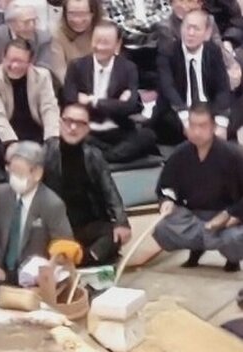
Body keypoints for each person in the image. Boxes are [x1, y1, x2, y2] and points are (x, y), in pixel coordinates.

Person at [0, 141, 73, 300]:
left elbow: (64, 245)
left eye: (20, 174)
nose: (14, 178)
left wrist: (46, 273)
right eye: (12, 172)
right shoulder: (2, 194)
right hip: (3, 269)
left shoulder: (52, 204)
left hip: (34, 277)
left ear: (37, 173)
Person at [154, 102, 243, 272]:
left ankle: (232, 258)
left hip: (227, 220)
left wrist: (230, 214)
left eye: (202, 126)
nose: (196, 131)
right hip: (192, 217)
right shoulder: (180, 154)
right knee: (163, 228)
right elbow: (166, 186)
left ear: (213, 127)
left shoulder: (233, 154)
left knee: (236, 237)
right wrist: (167, 200)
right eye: (192, 125)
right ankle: (196, 247)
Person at [42, 103, 131, 266]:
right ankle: (82, 258)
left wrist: (121, 222)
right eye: (68, 121)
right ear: (60, 123)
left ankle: (80, 259)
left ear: (87, 128)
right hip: (55, 228)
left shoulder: (94, 155)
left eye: (80, 123)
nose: (73, 127)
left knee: (113, 234)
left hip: (86, 226)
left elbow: (109, 190)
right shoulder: (45, 153)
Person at [62, 21, 157, 164]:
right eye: (97, 41)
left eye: (105, 43)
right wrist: (116, 103)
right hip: (87, 130)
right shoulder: (77, 66)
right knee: (74, 139)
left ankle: (104, 156)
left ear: (117, 44)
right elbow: (70, 100)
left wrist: (93, 101)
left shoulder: (128, 68)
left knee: (148, 136)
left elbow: (130, 106)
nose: (100, 47)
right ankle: (113, 155)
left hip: (117, 129)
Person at [0, 38, 60, 170]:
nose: (15, 66)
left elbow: (49, 107)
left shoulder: (42, 76)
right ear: (3, 58)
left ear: (30, 62)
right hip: (6, 133)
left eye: (20, 62)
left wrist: (52, 137)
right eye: (11, 60)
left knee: (56, 146)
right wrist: (11, 143)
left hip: (36, 131)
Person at [154, 9, 231, 145]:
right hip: (180, 109)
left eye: (196, 29)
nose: (190, 33)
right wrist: (186, 120)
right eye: (187, 27)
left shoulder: (213, 51)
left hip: (208, 108)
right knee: (168, 122)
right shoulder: (168, 52)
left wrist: (221, 123)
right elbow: (168, 88)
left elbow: (222, 87)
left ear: (207, 33)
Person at [0, 1, 52, 94]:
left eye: (34, 20)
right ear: (11, 24)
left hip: (31, 90)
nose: (32, 26)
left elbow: (44, 73)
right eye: (27, 22)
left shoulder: (43, 38)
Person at [51, 0, 101, 85]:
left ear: (93, 13)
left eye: (83, 13)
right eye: (72, 13)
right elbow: (61, 71)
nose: (77, 19)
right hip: (72, 86)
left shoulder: (105, 29)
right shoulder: (57, 34)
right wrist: (76, 91)